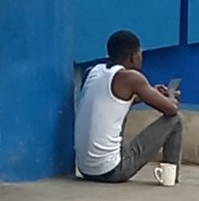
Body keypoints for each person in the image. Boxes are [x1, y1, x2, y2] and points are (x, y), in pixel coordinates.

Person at [75, 29, 183, 183]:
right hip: (112, 170)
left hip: (85, 169)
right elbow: (171, 109)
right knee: (176, 120)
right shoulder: (131, 78)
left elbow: (112, 101)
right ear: (133, 56)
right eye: (140, 54)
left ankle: (169, 175)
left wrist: (151, 92)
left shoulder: (92, 71)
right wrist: (171, 94)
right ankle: (170, 177)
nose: (141, 58)